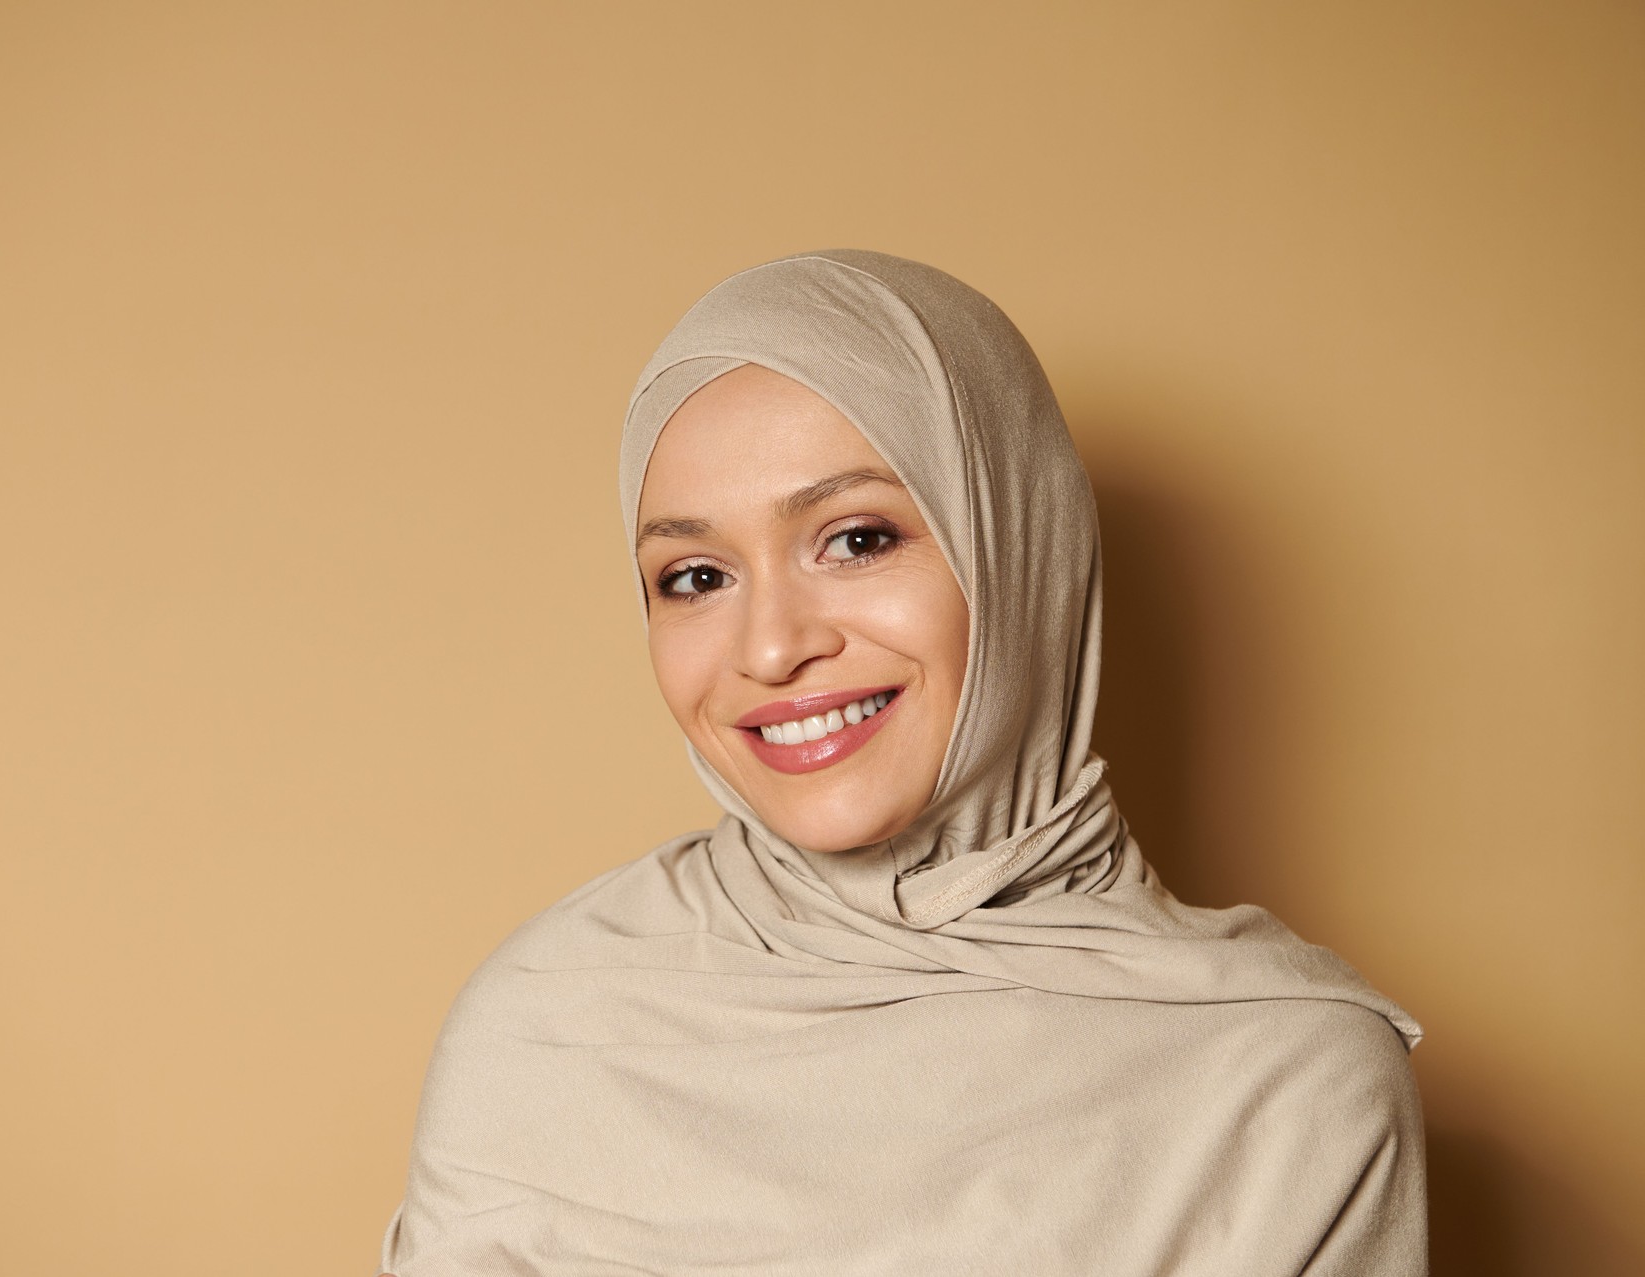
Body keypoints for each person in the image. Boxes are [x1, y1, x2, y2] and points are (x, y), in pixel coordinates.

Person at [378, 249, 1426, 1275]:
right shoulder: (548, 1029)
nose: (771, 646)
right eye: (695, 574)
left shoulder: (1283, 1085)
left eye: (857, 538)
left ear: (1021, 546)